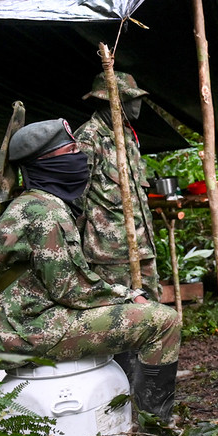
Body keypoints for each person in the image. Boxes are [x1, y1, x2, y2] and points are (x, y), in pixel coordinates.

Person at [0, 119, 180, 430]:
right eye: (71, 151)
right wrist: (126, 295)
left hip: (18, 323)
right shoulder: (45, 212)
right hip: (26, 331)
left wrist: (119, 298)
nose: (80, 158)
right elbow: (71, 289)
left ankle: (129, 413)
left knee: (127, 313)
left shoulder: (33, 204)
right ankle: (156, 430)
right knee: (162, 321)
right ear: (50, 162)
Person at [74, 72, 161, 381]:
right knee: (121, 318)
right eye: (131, 100)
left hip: (140, 245)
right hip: (109, 251)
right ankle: (121, 383)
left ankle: (147, 380)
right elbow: (77, 195)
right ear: (114, 102)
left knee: (151, 313)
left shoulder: (128, 136)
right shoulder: (90, 137)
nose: (137, 107)